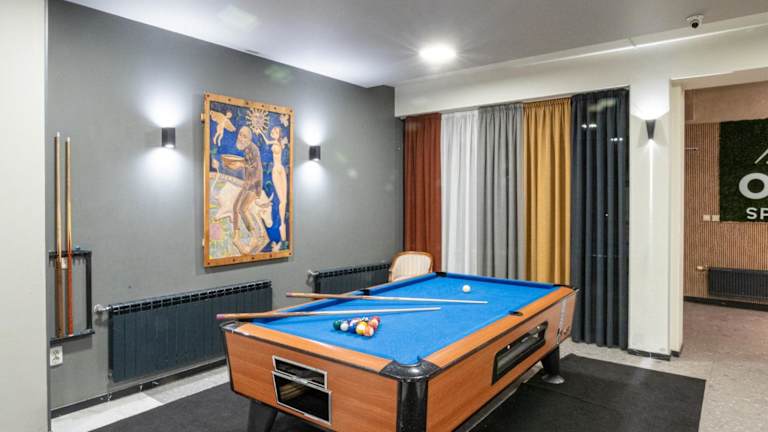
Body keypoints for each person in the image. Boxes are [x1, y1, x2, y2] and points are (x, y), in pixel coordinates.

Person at [226, 126, 264, 253]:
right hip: (248, 183)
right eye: (240, 134)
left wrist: (241, 164)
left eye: (244, 136)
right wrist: (238, 164)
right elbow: (247, 162)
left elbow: (255, 166)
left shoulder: (253, 149)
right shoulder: (247, 149)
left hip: (254, 184)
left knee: (242, 209)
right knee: (235, 207)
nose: (241, 138)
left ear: (249, 139)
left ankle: (254, 237)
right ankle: (236, 237)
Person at [260, 126, 288, 241]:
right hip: (276, 170)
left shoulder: (278, 143)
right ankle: (282, 225)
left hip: (281, 169)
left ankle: (282, 224)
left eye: (276, 132)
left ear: (279, 134)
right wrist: (261, 132)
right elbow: (267, 142)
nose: (273, 133)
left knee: (284, 200)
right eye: (273, 131)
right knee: (281, 200)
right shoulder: (276, 144)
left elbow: (269, 141)